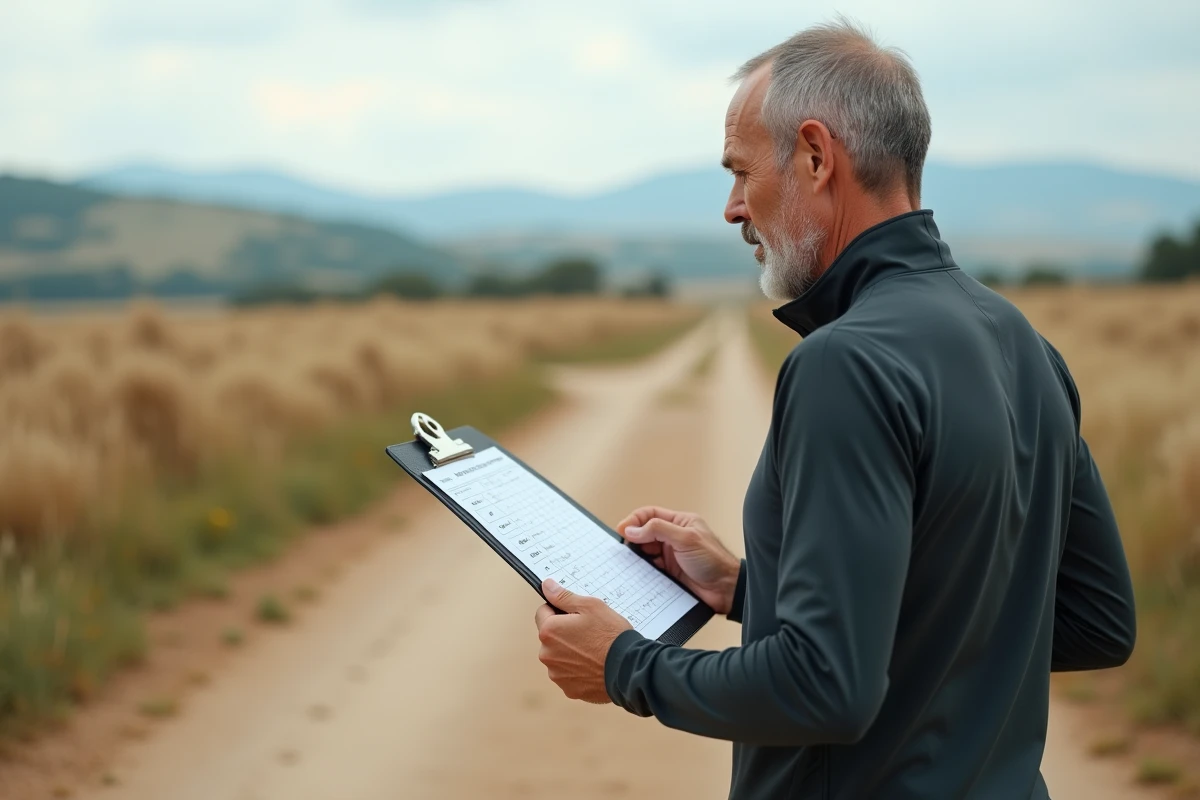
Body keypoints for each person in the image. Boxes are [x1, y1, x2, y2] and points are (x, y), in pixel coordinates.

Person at [532, 18, 1136, 799]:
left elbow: (826, 686)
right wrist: (749, 591)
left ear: (816, 157)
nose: (732, 209)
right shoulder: (1022, 343)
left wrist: (626, 666)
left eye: (741, 172)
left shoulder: (844, 363)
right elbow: (1094, 621)